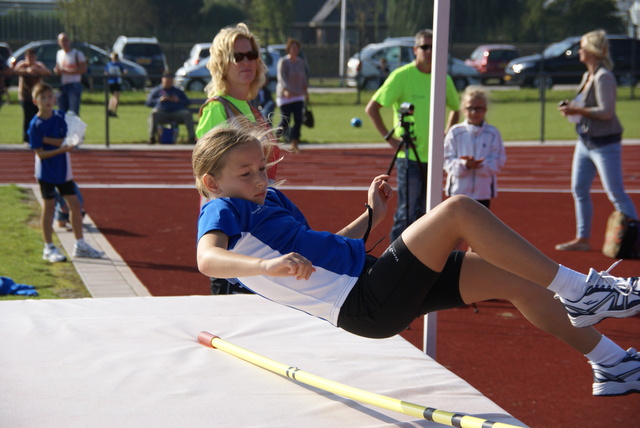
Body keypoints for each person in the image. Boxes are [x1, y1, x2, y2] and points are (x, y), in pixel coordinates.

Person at [193, 122, 640, 397]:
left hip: (369, 281)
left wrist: (371, 217)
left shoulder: (270, 198)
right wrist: (265, 268)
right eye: (245, 173)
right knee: (458, 210)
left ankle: (613, 363)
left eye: (262, 168)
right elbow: (207, 259)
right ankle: (583, 291)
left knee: (515, 279)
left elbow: (319, 250)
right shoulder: (221, 208)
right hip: (362, 303)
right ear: (212, 181)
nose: (259, 179)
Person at [196, 22, 280, 295]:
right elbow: (210, 176)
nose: (247, 62)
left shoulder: (253, 109)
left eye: (252, 55)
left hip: (259, 225)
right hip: (234, 234)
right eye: (237, 56)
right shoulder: (217, 109)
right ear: (222, 62)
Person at [366, 29, 460, 242]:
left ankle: (421, 262)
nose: (429, 52)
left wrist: (446, 135)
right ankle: (395, 263)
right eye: (425, 47)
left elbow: (456, 108)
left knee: (429, 213)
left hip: (435, 158)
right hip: (408, 156)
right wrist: (390, 139)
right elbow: (372, 108)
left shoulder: (442, 78)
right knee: (407, 213)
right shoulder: (402, 76)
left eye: (434, 47)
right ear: (415, 50)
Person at [555, 29, 638, 252]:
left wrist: (578, 109)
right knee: (579, 189)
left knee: (616, 193)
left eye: (582, 47)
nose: (579, 51)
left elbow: (606, 112)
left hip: (604, 144)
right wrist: (572, 109)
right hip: (585, 141)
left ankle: (635, 239)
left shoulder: (604, 77)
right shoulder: (588, 76)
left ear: (591, 50)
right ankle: (582, 238)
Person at [27, 82, 104, 262]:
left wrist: (54, 141)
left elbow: (68, 139)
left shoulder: (61, 117)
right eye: (43, 97)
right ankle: (48, 248)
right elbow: (41, 153)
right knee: (49, 208)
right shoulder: (35, 125)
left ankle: (80, 245)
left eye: (50, 97)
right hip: (46, 172)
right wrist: (61, 148)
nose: (47, 100)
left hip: (63, 170)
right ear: (35, 101)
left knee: (75, 205)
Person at [444, 86, 506, 210]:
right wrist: (465, 164)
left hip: (482, 192)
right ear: (463, 110)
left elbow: (499, 159)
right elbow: (446, 159)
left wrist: (481, 165)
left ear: (485, 110)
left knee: (480, 228)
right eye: (470, 108)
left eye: (478, 108)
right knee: (457, 228)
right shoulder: (455, 132)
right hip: (458, 192)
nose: (474, 112)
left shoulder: (492, 133)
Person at [275, 38, 308, 153]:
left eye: (297, 48)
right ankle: (274, 140)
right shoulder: (283, 61)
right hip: (286, 95)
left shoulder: (300, 62)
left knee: (298, 119)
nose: (295, 50)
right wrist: (285, 90)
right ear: (288, 49)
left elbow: (303, 77)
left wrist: (306, 91)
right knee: (285, 120)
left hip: (298, 94)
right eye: (292, 47)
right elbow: (281, 77)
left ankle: (294, 143)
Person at [12, 48, 51, 144]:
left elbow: (47, 72)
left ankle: (39, 137)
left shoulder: (38, 65)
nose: (31, 59)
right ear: (26, 57)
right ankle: (27, 139)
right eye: (29, 57)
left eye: (32, 57)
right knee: (27, 118)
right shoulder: (22, 64)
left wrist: (37, 70)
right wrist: (26, 71)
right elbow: (14, 71)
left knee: (38, 117)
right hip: (26, 96)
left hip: (37, 98)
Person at [146, 71, 195, 145]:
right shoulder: (156, 91)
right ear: (162, 80)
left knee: (187, 114)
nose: (168, 82)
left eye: (170, 81)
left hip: (176, 113)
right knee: (154, 114)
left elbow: (187, 102)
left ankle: (191, 138)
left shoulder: (177, 91)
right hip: (162, 112)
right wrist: (159, 100)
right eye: (166, 80)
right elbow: (148, 103)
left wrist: (178, 100)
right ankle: (152, 138)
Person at [54, 32, 87, 115]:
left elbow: (83, 69)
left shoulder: (77, 54)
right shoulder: (59, 54)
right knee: (62, 111)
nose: (64, 43)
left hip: (74, 85)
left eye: (66, 40)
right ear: (59, 42)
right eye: (62, 41)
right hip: (63, 85)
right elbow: (58, 67)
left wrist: (67, 71)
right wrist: (57, 71)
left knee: (73, 112)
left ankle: (74, 128)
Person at [104, 52, 127, 118]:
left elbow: (105, 73)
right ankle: (114, 111)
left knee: (113, 96)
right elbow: (124, 71)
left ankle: (109, 109)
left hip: (110, 82)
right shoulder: (118, 65)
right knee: (116, 97)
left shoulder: (108, 64)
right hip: (116, 82)